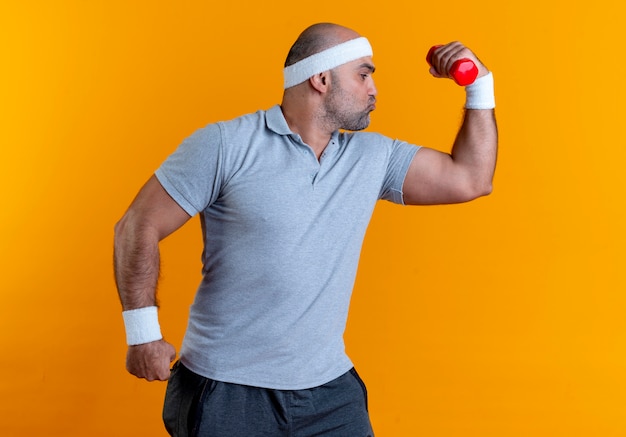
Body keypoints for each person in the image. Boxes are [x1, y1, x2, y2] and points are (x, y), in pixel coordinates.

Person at [114, 22, 497, 437]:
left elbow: (471, 179)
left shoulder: (372, 157)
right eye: (364, 75)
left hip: (330, 394)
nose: (374, 90)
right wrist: (143, 335)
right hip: (227, 390)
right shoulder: (227, 145)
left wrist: (480, 84)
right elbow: (137, 225)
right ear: (320, 79)